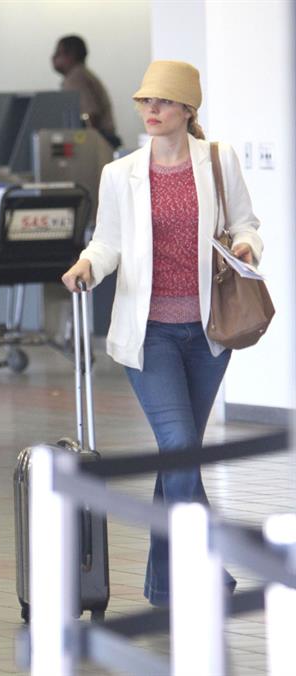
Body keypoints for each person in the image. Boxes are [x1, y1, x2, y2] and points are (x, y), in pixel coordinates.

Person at [62, 60, 263, 607]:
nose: (150, 110)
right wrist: (87, 264)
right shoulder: (119, 173)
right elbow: (107, 242)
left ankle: (163, 583)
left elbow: (247, 224)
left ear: (187, 111)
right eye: (145, 101)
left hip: (208, 333)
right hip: (147, 334)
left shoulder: (218, 161)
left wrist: (246, 247)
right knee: (177, 448)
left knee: (179, 457)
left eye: (163, 102)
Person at [52, 35, 121, 149]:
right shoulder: (82, 74)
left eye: (58, 52)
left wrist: (88, 147)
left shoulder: (76, 77)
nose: (53, 57)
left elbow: (90, 116)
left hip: (99, 143)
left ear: (71, 55)